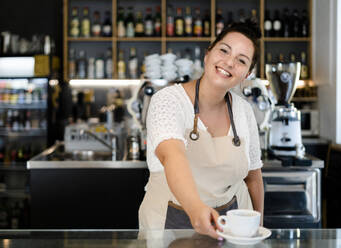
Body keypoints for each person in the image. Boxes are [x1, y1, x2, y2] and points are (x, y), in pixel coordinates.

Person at [138, 20, 264, 239]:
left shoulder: (244, 111)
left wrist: (257, 228)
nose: (229, 62)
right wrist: (196, 210)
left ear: (247, 74)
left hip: (231, 232)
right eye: (224, 50)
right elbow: (172, 155)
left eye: (241, 60)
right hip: (169, 226)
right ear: (208, 54)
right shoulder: (168, 100)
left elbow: (253, 177)